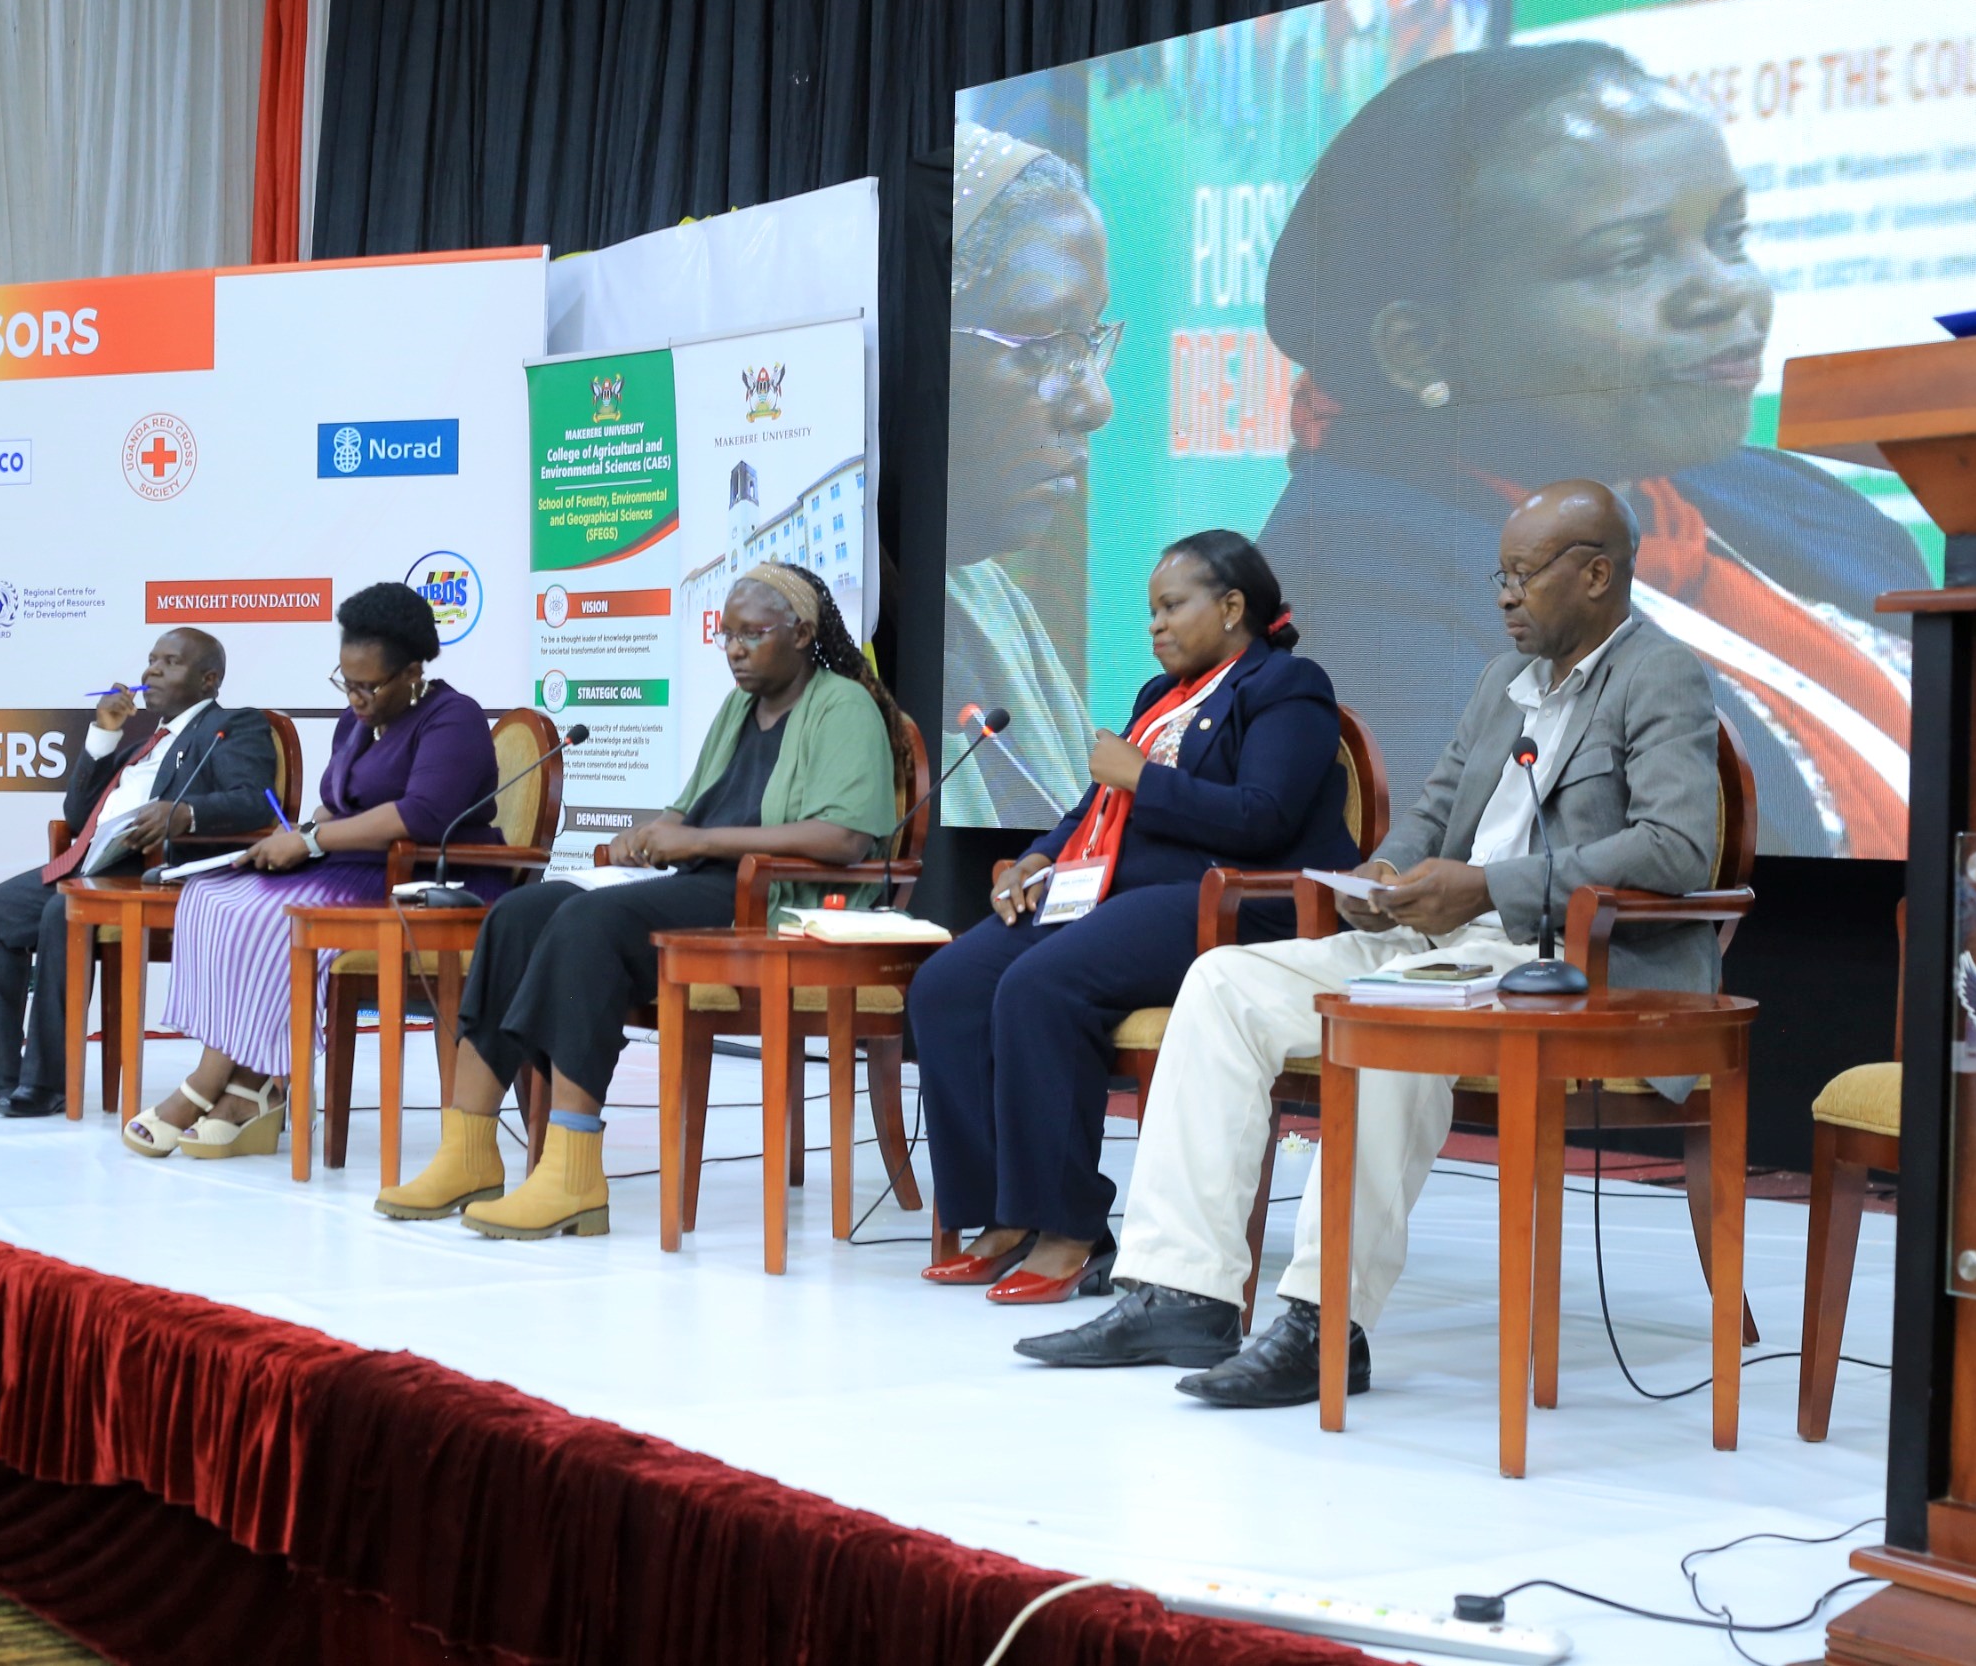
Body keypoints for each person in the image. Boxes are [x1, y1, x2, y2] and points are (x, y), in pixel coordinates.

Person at [1017, 480, 1720, 1406]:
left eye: (1524, 575)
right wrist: (1384, 881)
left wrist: (1488, 885)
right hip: (1441, 940)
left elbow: (1678, 846)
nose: (1504, 594)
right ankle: (1180, 1290)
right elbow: (1432, 813)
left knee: (1390, 1015)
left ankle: (1322, 1324)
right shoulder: (1497, 684)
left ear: (1596, 574)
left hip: (1561, 960)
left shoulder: (1659, 675)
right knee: (1224, 980)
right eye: (1499, 574)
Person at [1253, 41, 1925, 861]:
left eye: (1729, 235)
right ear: (1422, 349)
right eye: (1627, 258)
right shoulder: (1352, 596)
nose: (1726, 291)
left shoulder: (1789, 499)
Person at [375, 562, 899, 1239]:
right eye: (726, 635)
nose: (735, 650)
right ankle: (468, 1150)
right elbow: (691, 810)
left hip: (773, 905)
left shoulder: (842, 705)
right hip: (703, 886)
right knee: (519, 913)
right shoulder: (739, 707)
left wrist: (697, 839)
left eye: (752, 635)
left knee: (589, 921)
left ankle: (572, 1174)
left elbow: (845, 836)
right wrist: (650, 834)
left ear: (801, 633)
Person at [911, 532, 1359, 1303]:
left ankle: (1070, 1231)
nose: (1155, 625)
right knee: (948, 984)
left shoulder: (1288, 686)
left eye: (1172, 606)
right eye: (1150, 610)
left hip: (1233, 901)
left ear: (1231, 607)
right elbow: (1095, 806)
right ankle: (1003, 1214)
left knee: (1041, 985)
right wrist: (1036, 859)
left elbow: (1265, 817)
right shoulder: (1160, 699)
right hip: (1115, 892)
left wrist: (1143, 776)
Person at [124, 583, 506, 1159]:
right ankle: (249, 1086)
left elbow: (421, 815)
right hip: (351, 867)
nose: (356, 697)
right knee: (208, 897)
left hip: (424, 880)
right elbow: (337, 799)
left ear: (412, 672)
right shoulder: (356, 722)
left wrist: (313, 840)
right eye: (346, 682)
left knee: (267, 914)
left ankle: (218, 1083)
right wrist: (296, 832)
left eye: (369, 685)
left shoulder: (454, 719)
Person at [0, 627, 277, 1119]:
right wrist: (104, 735)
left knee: (65, 912)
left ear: (209, 679)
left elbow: (254, 801)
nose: (152, 670)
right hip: (94, 864)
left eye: (171, 662)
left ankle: (47, 1081)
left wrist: (184, 812)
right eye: (151, 659)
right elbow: (80, 814)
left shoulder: (233, 725)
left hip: (157, 871)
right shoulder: (142, 745)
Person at [942, 121, 1117, 827]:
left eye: (1091, 344)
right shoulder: (786, 621)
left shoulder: (991, 605)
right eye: (1045, 345)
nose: (1096, 403)